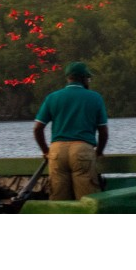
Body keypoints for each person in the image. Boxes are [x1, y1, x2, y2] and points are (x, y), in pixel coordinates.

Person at [33, 60, 109, 200]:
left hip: (57, 152)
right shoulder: (95, 98)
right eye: (88, 78)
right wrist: (99, 151)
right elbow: (103, 132)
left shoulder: (52, 97)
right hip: (82, 150)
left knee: (59, 201)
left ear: (68, 78)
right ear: (83, 78)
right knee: (87, 200)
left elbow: (38, 128)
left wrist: (45, 151)